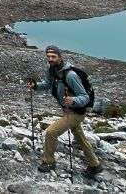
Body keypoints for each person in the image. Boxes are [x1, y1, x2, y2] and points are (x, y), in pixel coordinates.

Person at [26, 45, 102, 178]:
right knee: (80, 137)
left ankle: (48, 162)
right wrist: (36, 86)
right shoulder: (52, 70)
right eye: (48, 56)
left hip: (76, 113)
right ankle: (95, 165)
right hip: (68, 110)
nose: (50, 59)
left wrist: (73, 100)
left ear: (60, 57)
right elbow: (48, 84)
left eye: (53, 56)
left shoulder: (71, 75)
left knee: (51, 132)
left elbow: (85, 97)